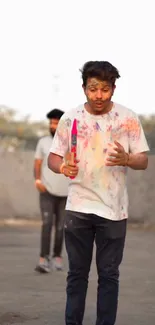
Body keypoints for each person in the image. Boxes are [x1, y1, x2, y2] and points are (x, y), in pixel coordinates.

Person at [48, 61, 149, 325]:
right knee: (77, 275)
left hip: (114, 210)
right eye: (93, 89)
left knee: (109, 276)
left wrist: (127, 158)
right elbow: (53, 158)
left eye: (105, 89)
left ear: (113, 89)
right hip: (78, 208)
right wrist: (62, 166)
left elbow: (143, 161)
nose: (99, 96)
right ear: (84, 88)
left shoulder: (127, 118)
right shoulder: (70, 118)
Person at [34, 108, 69, 273]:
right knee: (47, 224)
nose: (53, 126)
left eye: (56, 123)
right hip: (47, 191)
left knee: (61, 226)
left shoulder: (70, 142)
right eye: (51, 123)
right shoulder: (43, 142)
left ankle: (57, 257)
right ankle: (43, 259)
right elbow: (38, 163)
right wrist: (38, 180)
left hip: (66, 194)